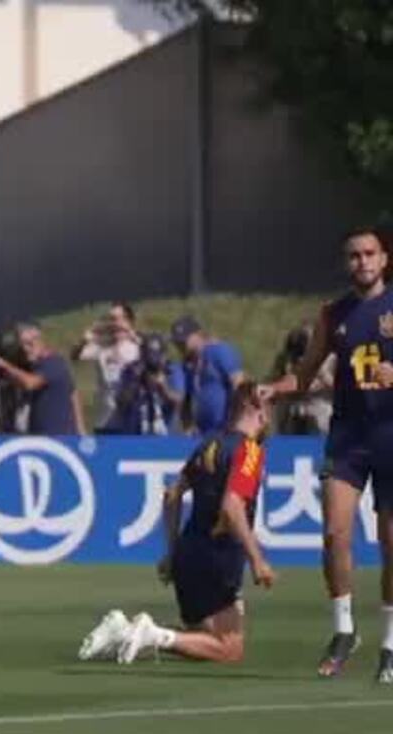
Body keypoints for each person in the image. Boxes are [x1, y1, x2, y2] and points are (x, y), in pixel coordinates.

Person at [259, 225, 393, 679]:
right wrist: (271, 390)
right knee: (336, 533)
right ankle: (344, 629)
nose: (362, 262)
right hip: (349, 437)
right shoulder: (333, 314)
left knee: (391, 542)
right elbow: (304, 375)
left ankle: (391, 643)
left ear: (384, 259)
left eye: (369, 254)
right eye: (354, 256)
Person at [81, 384, 275, 665]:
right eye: (268, 406)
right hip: (218, 556)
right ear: (255, 408)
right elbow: (232, 507)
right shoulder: (249, 451)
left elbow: (172, 496)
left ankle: (121, 631)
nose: (270, 415)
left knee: (202, 638)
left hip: (189, 550)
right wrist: (258, 560)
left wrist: (171, 553)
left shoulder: (209, 444)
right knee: (229, 649)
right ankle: (152, 635)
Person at [0, 323, 82, 436]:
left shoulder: (53, 363)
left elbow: (30, 383)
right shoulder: (33, 366)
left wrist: (5, 366)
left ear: (39, 340)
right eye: (22, 345)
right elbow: (73, 393)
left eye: (30, 344)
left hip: (59, 435)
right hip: (38, 435)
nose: (26, 349)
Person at [174, 315, 246, 435]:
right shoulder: (188, 364)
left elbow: (240, 386)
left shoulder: (219, 352)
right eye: (177, 341)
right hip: (204, 432)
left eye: (183, 340)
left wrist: (235, 423)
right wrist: (188, 426)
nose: (179, 344)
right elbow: (186, 399)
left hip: (226, 429)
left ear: (197, 335)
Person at [78, 302, 141, 431]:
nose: (116, 323)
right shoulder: (102, 347)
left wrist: (132, 335)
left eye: (120, 318)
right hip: (104, 421)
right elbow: (76, 355)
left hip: (129, 421)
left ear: (129, 321)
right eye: (112, 319)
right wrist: (85, 339)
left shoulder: (137, 348)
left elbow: (152, 358)